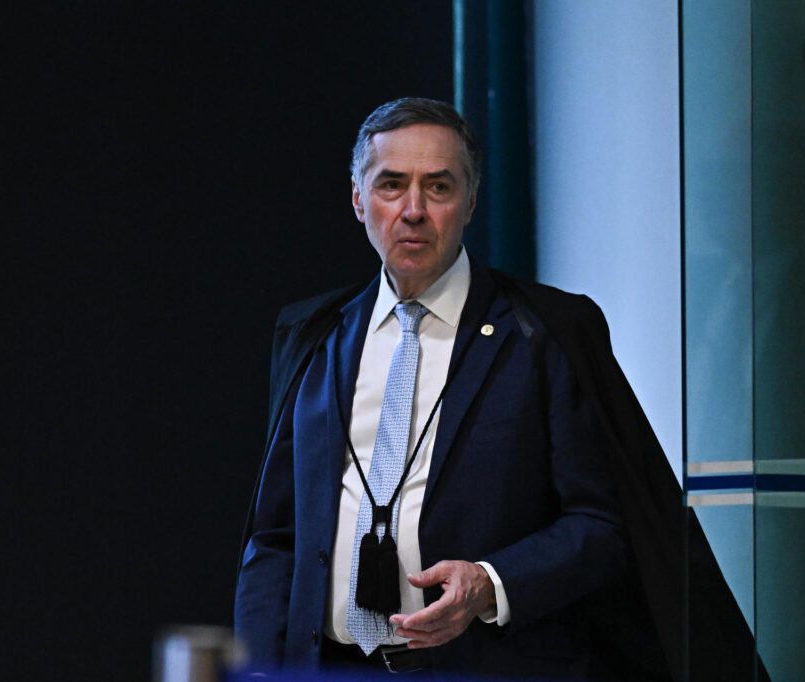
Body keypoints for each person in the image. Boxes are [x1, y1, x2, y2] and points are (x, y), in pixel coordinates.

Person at [235, 98, 757, 680]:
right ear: (359, 199)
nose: (413, 210)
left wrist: (491, 583)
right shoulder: (315, 335)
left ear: (470, 201)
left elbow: (605, 525)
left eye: (438, 187)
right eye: (391, 185)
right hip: (328, 668)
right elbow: (275, 537)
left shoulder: (547, 331)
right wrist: (257, 669)